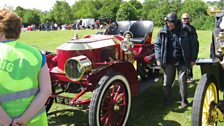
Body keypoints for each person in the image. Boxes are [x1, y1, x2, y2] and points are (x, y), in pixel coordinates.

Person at [0, 9, 52, 126]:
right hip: (35, 121)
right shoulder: (36, 53)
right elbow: (46, 90)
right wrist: (23, 118)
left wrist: (9, 123)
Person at [154, 12, 199, 109]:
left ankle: (184, 101)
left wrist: (193, 58)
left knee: (182, 81)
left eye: (170, 23)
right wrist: (158, 58)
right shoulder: (163, 31)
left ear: (175, 22)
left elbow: (194, 45)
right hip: (168, 61)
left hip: (182, 60)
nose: (168, 24)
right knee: (166, 83)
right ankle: (167, 100)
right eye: (167, 22)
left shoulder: (187, 30)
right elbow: (157, 44)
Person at [181, 13, 198, 82]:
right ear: (182, 19)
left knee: (190, 63)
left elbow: (195, 41)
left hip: (190, 48)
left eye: (187, 18)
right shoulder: (178, 28)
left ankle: (190, 76)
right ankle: (183, 78)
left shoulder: (192, 28)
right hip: (181, 49)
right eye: (184, 18)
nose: (186, 20)